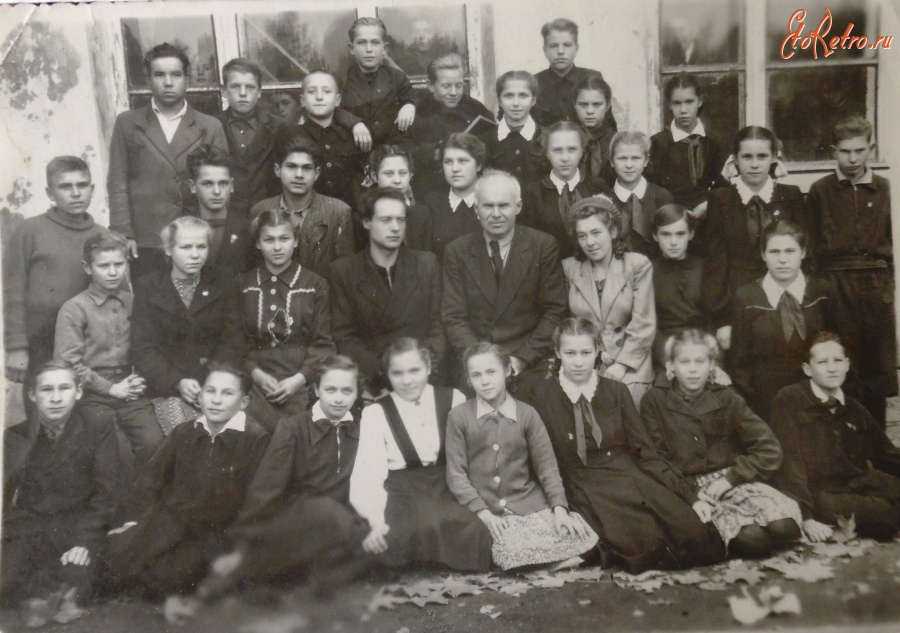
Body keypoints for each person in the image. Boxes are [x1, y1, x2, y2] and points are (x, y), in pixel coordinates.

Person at [519, 319, 726, 572]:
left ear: (597, 351)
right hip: (581, 480)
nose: (579, 362)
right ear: (557, 353)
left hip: (626, 473)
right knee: (646, 543)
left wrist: (689, 495)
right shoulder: (541, 396)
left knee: (695, 534)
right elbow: (541, 459)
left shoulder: (615, 391)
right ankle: (599, 548)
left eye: (586, 353)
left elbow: (645, 452)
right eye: (570, 353)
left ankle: (598, 549)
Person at [189, 356, 372, 605]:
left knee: (371, 539)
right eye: (330, 390)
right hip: (301, 515)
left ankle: (312, 578)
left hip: (341, 519)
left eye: (347, 391)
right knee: (324, 514)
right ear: (317, 389)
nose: (338, 399)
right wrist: (242, 542)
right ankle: (241, 569)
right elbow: (267, 487)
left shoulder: (363, 429)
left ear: (357, 393)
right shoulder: (293, 427)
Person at [103, 364, 269, 600]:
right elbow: (150, 481)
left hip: (218, 534)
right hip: (172, 523)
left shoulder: (255, 440)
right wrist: (133, 522)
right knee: (112, 561)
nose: (216, 400)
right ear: (200, 396)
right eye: (210, 391)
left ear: (243, 402)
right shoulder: (185, 432)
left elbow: (259, 503)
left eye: (227, 393)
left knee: (170, 578)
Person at [641, 329, 803, 558]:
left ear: (711, 366)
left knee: (785, 527)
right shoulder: (654, 401)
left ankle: (751, 523)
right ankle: (740, 532)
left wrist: (731, 478)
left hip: (730, 481)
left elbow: (769, 448)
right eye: (684, 362)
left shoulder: (727, 397)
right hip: (686, 489)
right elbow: (654, 460)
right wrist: (691, 495)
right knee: (755, 542)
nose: (693, 369)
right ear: (671, 366)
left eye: (700, 361)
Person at [445, 342, 598, 571]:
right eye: (476, 375)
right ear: (468, 380)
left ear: (507, 370)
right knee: (508, 549)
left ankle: (543, 561)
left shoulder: (527, 414)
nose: (485, 381)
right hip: (487, 509)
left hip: (527, 503)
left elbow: (547, 467)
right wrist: (484, 514)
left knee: (581, 534)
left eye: (491, 372)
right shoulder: (459, 416)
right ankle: (547, 562)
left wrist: (559, 509)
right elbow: (456, 474)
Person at [349, 339, 493, 570]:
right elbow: (368, 474)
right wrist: (375, 520)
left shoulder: (453, 399)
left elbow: (471, 455)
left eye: (414, 371)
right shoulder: (376, 412)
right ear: (387, 375)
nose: (406, 381)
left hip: (446, 485)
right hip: (402, 491)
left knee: (471, 530)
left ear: (427, 367)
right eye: (397, 373)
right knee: (408, 531)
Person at [2, 361, 119, 627]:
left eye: (64, 388)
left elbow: (106, 492)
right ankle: (43, 594)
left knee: (81, 571)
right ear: (33, 395)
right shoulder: (16, 435)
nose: (56, 398)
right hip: (33, 525)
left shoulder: (98, 425)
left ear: (78, 391)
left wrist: (84, 542)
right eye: (47, 389)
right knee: (7, 579)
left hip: (79, 524)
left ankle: (58, 594)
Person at [107, 42, 228, 279]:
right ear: (148, 80)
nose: (168, 82)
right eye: (160, 75)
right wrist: (124, 232)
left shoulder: (209, 126)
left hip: (195, 239)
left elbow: (221, 185)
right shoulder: (128, 124)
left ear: (187, 79)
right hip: (147, 239)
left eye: (176, 74)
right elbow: (118, 182)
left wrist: (215, 234)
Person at [806, 115, 896, 425]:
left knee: (875, 368)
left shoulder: (886, 189)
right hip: (835, 286)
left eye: (860, 150)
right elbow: (812, 249)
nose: (853, 159)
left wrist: (888, 288)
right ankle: (842, 441)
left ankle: (876, 442)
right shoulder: (820, 190)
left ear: (871, 148)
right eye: (845, 151)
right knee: (839, 361)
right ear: (834, 151)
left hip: (875, 286)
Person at [770, 332, 900, 542]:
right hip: (821, 494)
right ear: (807, 369)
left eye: (838, 360)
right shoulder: (790, 399)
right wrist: (806, 517)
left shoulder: (854, 407)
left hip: (860, 483)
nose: (832, 368)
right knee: (883, 515)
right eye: (822, 362)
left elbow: (886, 455)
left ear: (847, 365)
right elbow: (789, 463)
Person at [442, 170, 567, 387]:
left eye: (504, 205)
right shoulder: (457, 251)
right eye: (488, 206)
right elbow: (454, 318)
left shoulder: (543, 246)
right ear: (476, 209)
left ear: (518, 206)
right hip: (476, 361)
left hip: (529, 361)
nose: (496, 214)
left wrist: (521, 359)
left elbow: (555, 311)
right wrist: (481, 361)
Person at [53, 233, 162, 466]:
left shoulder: (135, 302)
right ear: (87, 267)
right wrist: (111, 388)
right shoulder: (74, 309)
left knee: (154, 443)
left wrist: (139, 379)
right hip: (91, 395)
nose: (113, 272)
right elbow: (67, 364)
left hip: (132, 390)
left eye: (119, 264)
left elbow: (149, 348)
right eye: (103, 266)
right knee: (114, 450)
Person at [130, 216, 243, 430]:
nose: (195, 255)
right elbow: (143, 349)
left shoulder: (223, 283)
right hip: (167, 388)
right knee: (186, 435)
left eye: (201, 247)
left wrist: (211, 381)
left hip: (215, 384)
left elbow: (232, 342)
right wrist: (177, 382)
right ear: (168, 249)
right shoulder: (148, 287)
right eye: (186, 247)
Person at [4, 156, 110, 383]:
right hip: (40, 340)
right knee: (44, 398)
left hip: (88, 340)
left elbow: (116, 293)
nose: (76, 193)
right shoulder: (29, 231)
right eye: (65, 187)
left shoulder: (103, 236)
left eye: (82, 185)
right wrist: (16, 347)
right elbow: (13, 293)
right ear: (50, 193)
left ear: (92, 190)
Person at [331, 188, 445, 396]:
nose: (395, 228)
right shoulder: (344, 271)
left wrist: (418, 370)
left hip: (422, 380)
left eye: (400, 220)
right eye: (386, 220)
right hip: (373, 385)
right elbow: (345, 336)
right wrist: (384, 374)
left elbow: (438, 326)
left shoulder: (426, 265)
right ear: (367, 222)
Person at [705, 126, 808, 353]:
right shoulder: (722, 198)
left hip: (784, 297)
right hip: (738, 300)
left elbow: (804, 256)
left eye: (762, 156)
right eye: (747, 157)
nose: (754, 164)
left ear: (774, 158)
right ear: (735, 159)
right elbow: (716, 261)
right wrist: (723, 320)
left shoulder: (790, 196)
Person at [730, 221, 838, 419]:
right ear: (763, 255)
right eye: (774, 252)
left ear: (803, 253)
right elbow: (740, 363)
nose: (782, 260)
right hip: (766, 400)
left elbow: (838, 347)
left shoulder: (822, 292)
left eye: (790, 251)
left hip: (816, 397)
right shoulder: (746, 298)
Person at [239, 209, 335, 430]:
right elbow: (236, 341)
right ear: (257, 244)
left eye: (284, 238)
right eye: (268, 240)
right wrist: (257, 375)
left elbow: (323, 344)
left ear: (296, 241)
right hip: (255, 384)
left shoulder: (315, 285)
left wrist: (299, 379)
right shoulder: (244, 285)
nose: (277, 247)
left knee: (296, 431)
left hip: (302, 383)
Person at [562, 196, 655, 404]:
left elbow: (644, 322)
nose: (590, 242)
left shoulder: (636, 265)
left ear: (612, 232)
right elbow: (568, 324)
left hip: (631, 364)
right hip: (585, 363)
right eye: (582, 236)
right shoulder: (569, 268)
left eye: (596, 233)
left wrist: (622, 365)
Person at [250, 140, 354, 280]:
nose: (299, 175)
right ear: (277, 170)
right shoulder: (260, 210)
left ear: (316, 173)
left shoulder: (338, 212)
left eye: (306, 168)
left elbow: (345, 274)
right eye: (291, 167)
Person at [648, 73, 726, 245]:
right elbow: (653, 188)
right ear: (669, 105)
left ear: (700, 101)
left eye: (689, 102)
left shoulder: (715, 141)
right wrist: (675, 211)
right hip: (672, 222)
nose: (683, 110)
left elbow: (724, 182)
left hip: (709, 217)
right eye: (677, 103)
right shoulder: (658, 143)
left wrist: (708, 205)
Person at [408, 52, 494, 197]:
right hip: (431, 191)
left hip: (471, 190)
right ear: (430, 85)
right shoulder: (417, 112)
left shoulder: (474, 108)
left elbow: (492, 139)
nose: (454, 92)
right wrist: (435, 151)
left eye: (459, 86)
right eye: (446, 86)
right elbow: (405, 153)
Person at [214, 58, 293, 213]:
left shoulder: (279, 127)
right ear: (224, 91)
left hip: (269, 214)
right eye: (235, 86)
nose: (243, 93)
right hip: (226, 214)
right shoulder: (213, 125)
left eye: (250, 87)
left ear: (259, 92)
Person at [650, 204, 725, 365]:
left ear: (691, 234)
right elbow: (649, 324)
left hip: (703, 348)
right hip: (666, 351)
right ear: (655, 236)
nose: (673, 242)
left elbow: (713, 319)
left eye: (680, 234)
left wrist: (713, 359)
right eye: (665, 234)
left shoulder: (705, 268)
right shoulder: (648, 271)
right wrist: (666, 360)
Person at [521, 121, 603, 260]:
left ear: (582, 151)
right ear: (547, 153)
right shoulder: (533, 193)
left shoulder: (596, 187)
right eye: (557, 150)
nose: (565, 158)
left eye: (572, 149)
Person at [292, 70, 368, 209]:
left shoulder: (350, 136)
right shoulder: (294, 136)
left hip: (348, 212)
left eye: (326, 91)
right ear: (302, 101)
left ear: (337, 100)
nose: (319, 97)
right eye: (312, 92)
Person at [341, 17, 416, 146]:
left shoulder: (396, 77)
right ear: (351, 48)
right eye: (362, 43)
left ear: (385, 48)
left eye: (375, 42)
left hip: (391, 149)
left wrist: (409, 105)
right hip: (355, 149)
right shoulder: (342, 79)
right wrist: (354, 123)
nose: (369, 49)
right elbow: (333, 110)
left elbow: (413, 96)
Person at [186, 144, 254, 281]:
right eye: (208, 183)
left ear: (232, 185)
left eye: (223, 183)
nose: (217, 191)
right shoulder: (182, 230)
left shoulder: (248, 230)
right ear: (193, 186)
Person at [608, 131, 674, 258]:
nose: (629, 165)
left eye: (636, 158)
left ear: (646, 160)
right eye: (622, 158)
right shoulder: (605, 200)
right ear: (611, 161)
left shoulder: (661, 197)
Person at [421, 133, 486, 260]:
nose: (455, 169)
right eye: (448, 162)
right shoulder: (432, 203)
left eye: (462, 161)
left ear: (478, 165)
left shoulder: (490, 202)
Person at [356, 145, 431, 251]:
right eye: (389, 173)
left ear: (410, 175)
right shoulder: (364, 214)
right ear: (374, 176)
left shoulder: (421, 214)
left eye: (403, 173)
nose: (397, 180)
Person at [533, 18, 605, 127]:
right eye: (553, 46)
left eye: (567, 45)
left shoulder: (592, 78)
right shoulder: (534, 83)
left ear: (576, 49)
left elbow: (607, 127)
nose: (560, 51)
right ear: (545, 51)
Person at [478, 71, 543, 189]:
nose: (516, 103)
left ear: (533, 100)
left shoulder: (546, 137)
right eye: (508, 96)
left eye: (523, 96)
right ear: (499, 101)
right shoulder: (485, 141)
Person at [572, 74, 617, 188]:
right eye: (583, 104)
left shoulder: (617, 142)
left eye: (597, 104)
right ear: (575, 105)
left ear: (607, 106)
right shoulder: (566, 140)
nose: (590, 111)